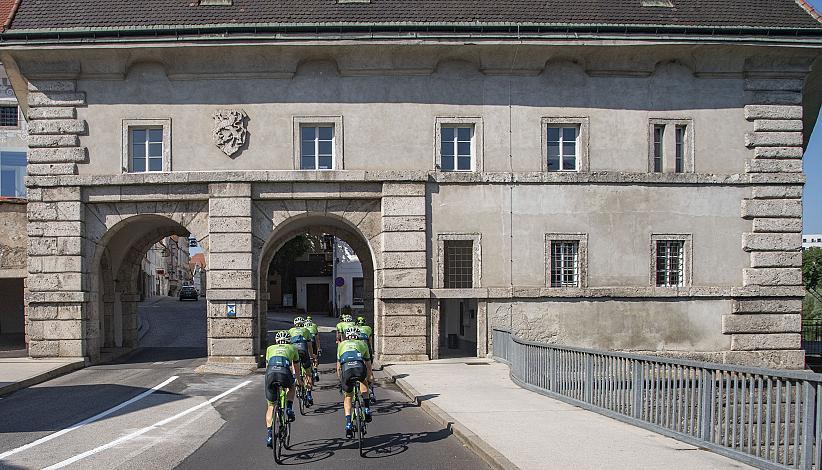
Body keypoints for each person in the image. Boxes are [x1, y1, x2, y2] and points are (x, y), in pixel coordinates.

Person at [264, 331, 302, 448]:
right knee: (292, 386)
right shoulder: (293, 348)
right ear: (288, 341)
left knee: (271, 406)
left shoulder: (270, 348)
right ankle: (289, 409)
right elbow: (296, 368)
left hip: (270, 374)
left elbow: (267, 366)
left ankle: (270, 435)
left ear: (277, 341)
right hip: (284, 373)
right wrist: (299, 381)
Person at [337, 326, 373, 437]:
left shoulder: (341, 345)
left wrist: (340, 380)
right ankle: (366, 409)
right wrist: (369, 376)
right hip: (359, 369)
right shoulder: (362, 344)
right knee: (364, 382)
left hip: (346, 371)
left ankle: (348, 423)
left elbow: (338, 366)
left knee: (348, 396)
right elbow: (368, 364)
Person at [289, 317, 316, 407]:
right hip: (303, 350)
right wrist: (312, 356)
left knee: (295, 363)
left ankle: (295, 377)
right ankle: (308, 395)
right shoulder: (306, 330)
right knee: (308, 373)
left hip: (293, 350)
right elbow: (309, 345)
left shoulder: (290, 330)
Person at [355, 316, 376, 402]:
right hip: (367, 350)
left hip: (357, 352)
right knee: (369, 370)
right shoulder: (368, 328)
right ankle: (371, 391)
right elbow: (370, 342)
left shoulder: (354, 329)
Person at [304, 317, 321, 382]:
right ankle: (315, 370)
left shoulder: (303, 328)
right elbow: (317, 339)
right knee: (314, 357)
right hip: (313, 340)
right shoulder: (314, 326)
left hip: (305, 343)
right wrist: (319, 348)